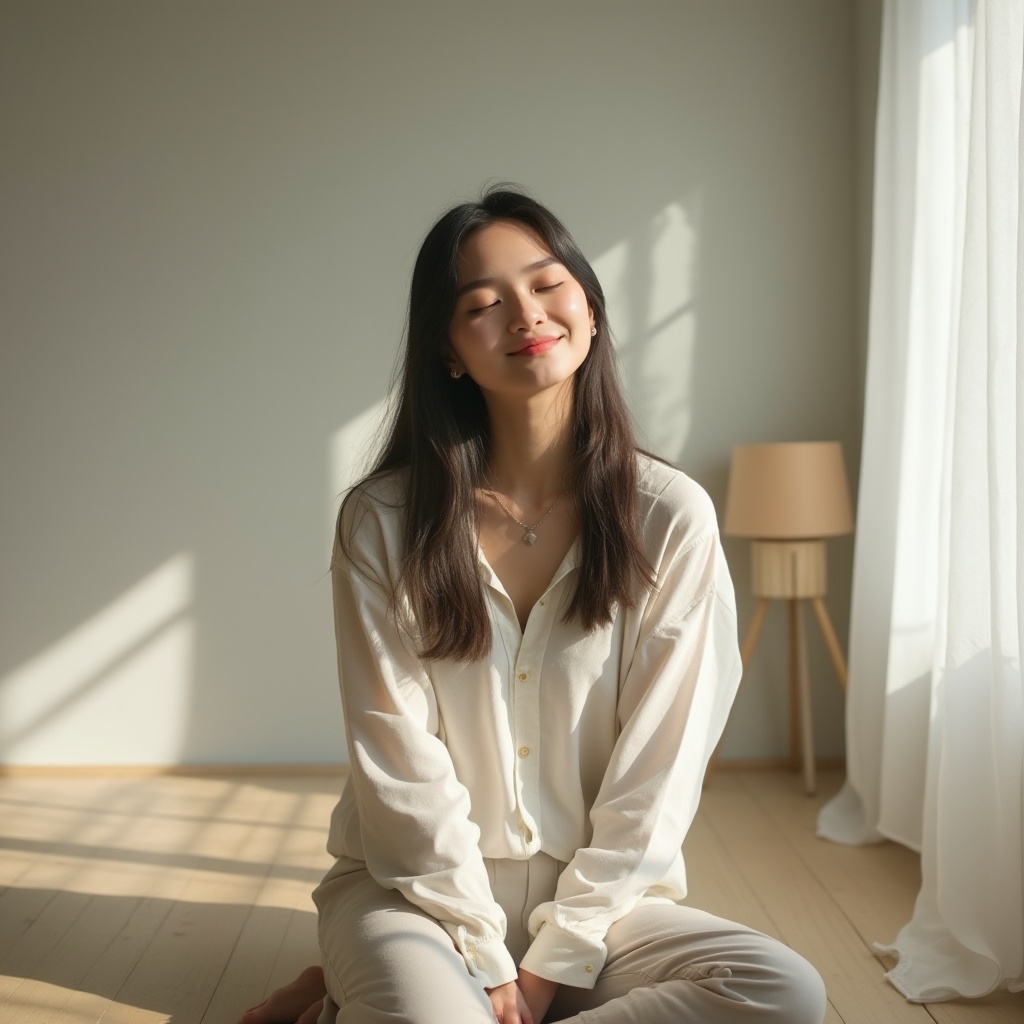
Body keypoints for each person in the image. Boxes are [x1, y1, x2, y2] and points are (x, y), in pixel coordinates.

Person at [240, 187, 826, 1024]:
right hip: (416, 898)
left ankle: (343, 1002)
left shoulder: (670, 516)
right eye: (483, 303)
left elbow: (655, 777)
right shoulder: (382, 522)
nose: (526, 314)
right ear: (448, 351)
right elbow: (396, 766)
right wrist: (482, 955)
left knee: (784, 991)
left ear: (589, 307)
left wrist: (555, 961)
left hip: (604, 907)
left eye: (548, 285)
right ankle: (370, 982)